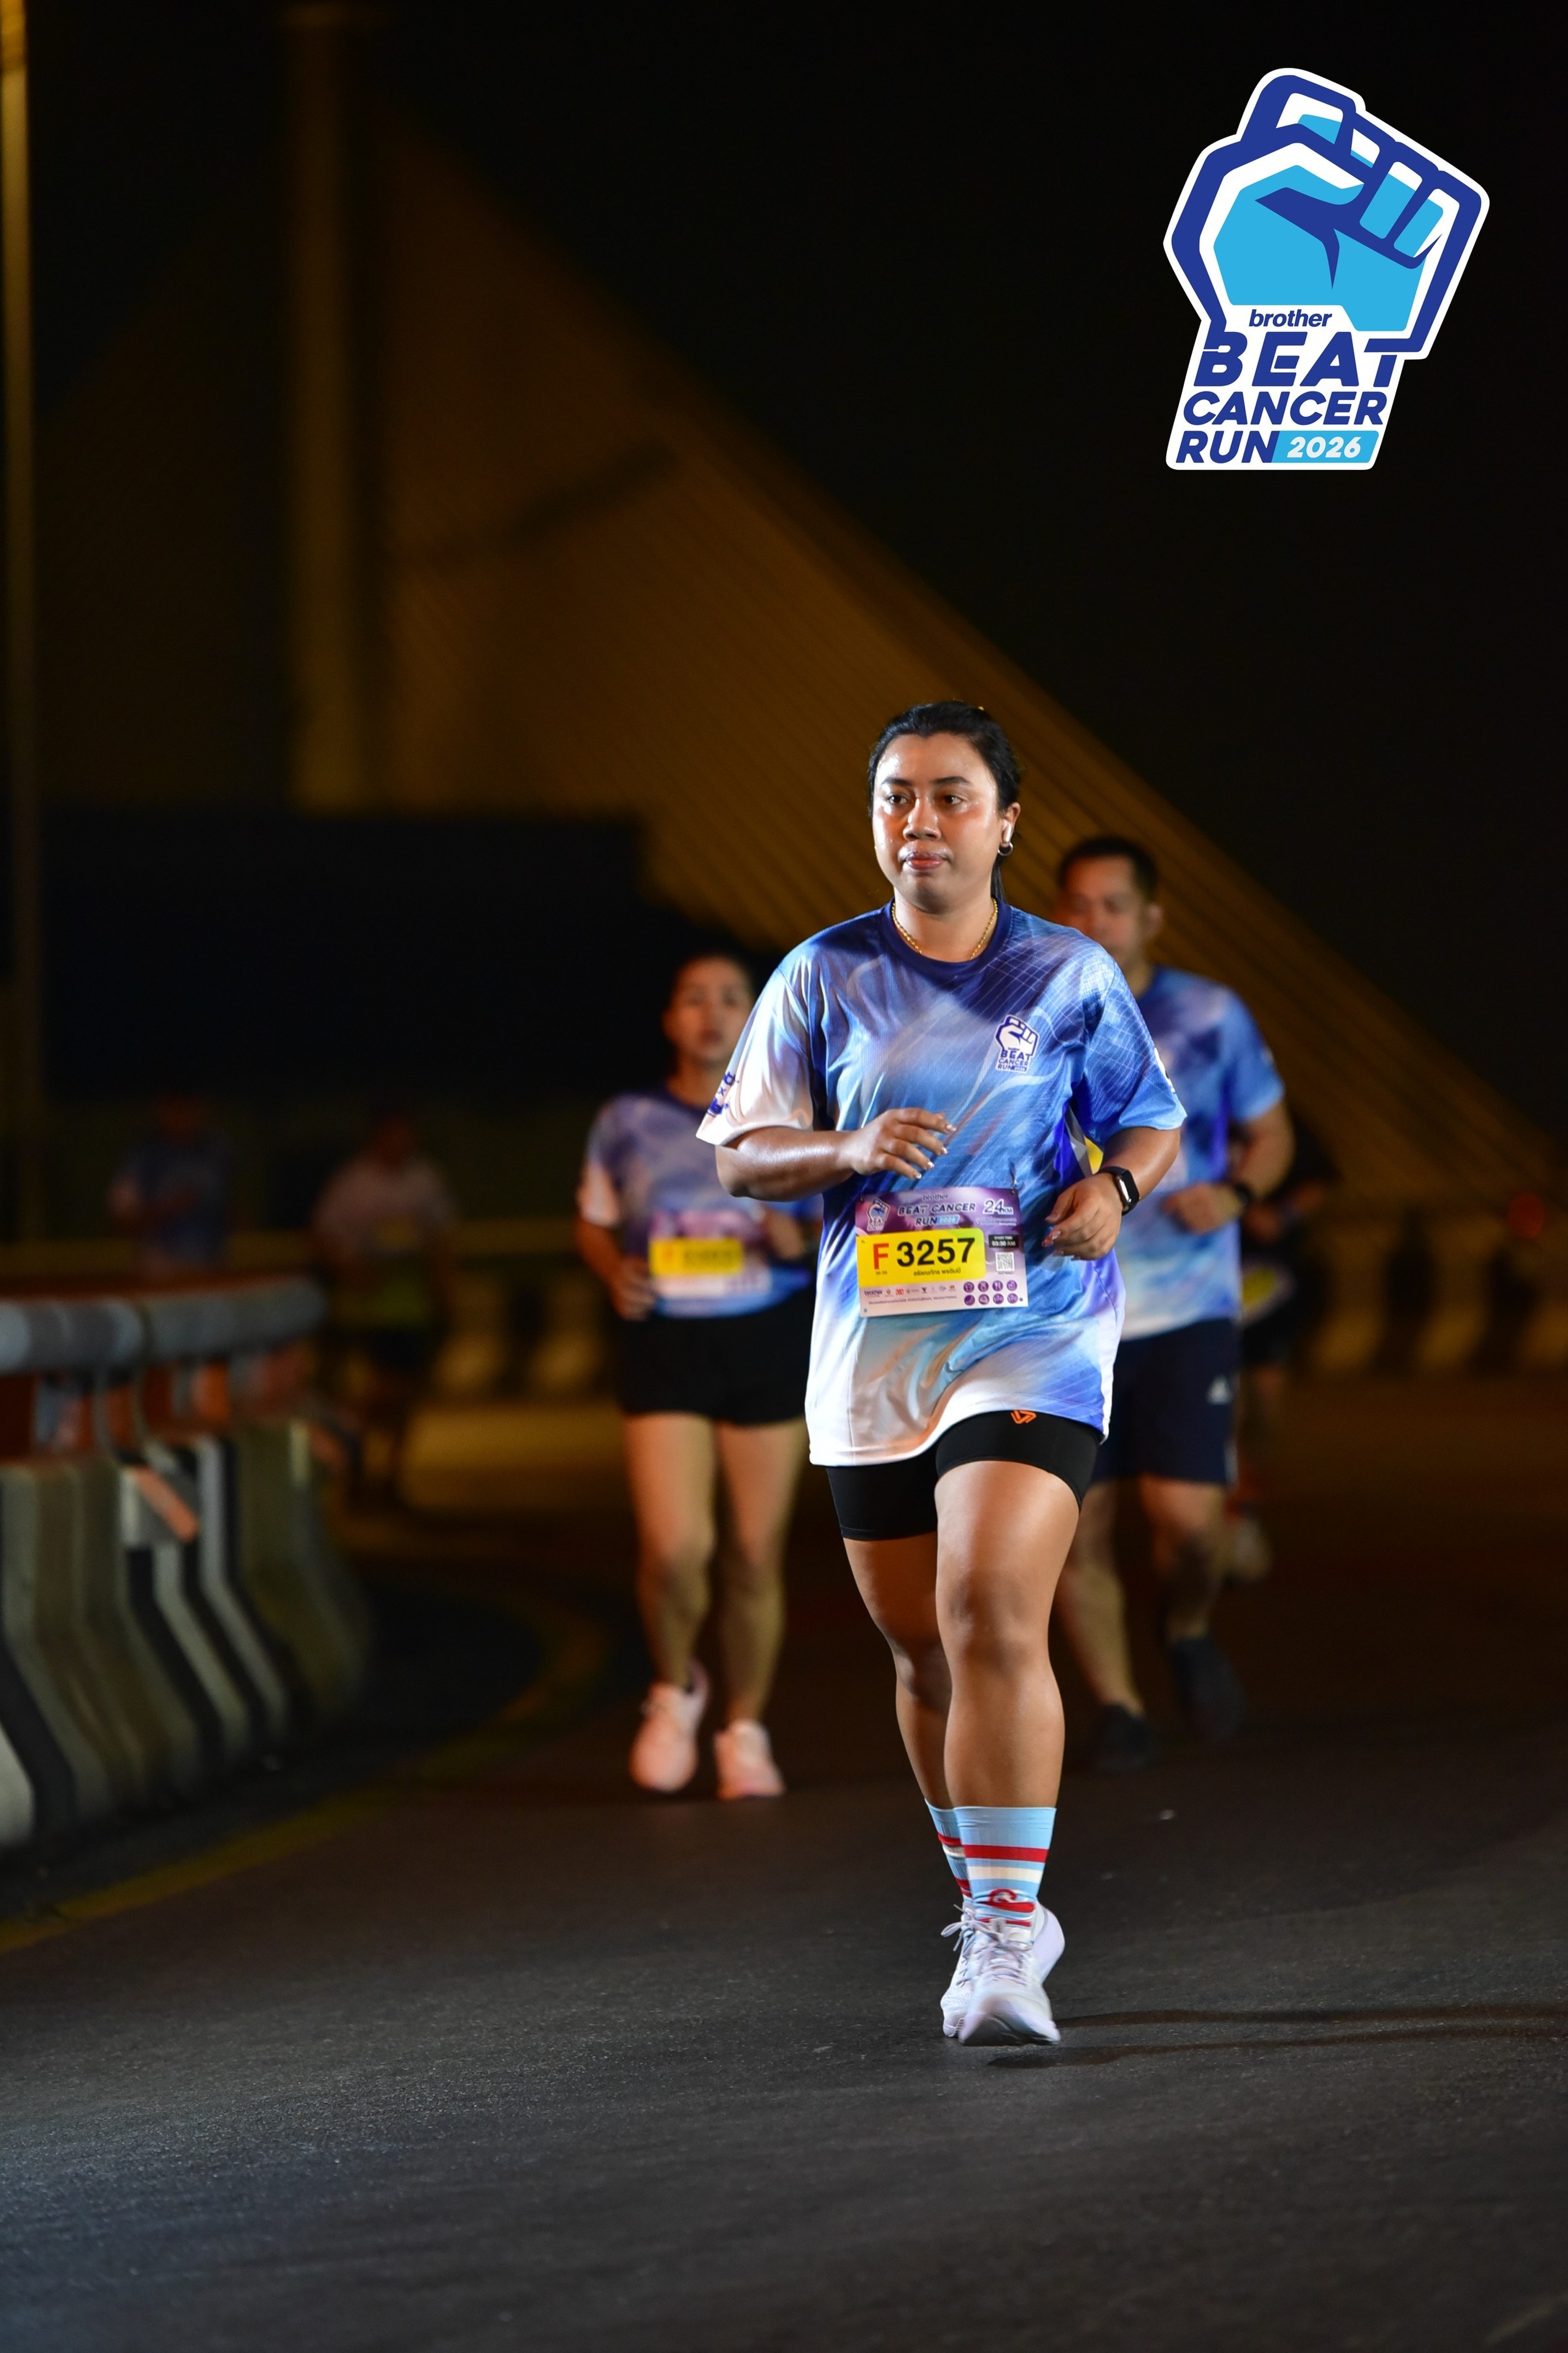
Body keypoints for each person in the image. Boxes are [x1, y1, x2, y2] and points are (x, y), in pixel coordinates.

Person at [699, 702, 1183, 2047]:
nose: (919, 820)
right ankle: (984, 1893)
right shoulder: (819, 974)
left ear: (1004, 821)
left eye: (949, 795)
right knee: (921, 1649)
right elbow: (738, 1154)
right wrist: (846, 1150)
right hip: (876, 1352)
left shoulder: (1067, 972)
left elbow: (1149, 1120)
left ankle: (1005, 1935)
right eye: (896, 796)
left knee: (987, 1602)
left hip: (1032, 1326)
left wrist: (1113, 1190)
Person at [1051, 838, 1293, 1771]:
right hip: (1069, 1318)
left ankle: (1185, 1627)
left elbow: (1271, 1133)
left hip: (1187, 1307)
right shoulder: (1031, 1016)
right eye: (1077, 905)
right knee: (1080, 1529)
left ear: (1151, 917)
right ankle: (1118, 1707)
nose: (1095, 923)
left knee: (1192, 1529)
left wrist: (1234, 1194)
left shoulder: (1208, 1014)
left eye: (1114, 905)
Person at [576, 953, 816, 1802]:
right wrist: (612, 1270)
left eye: (730, 999)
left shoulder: (796, 1115)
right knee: (677, 1549)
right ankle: (674, 1687)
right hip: (666, 1339)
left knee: (752, 1553)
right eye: (693, 999)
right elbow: (594, 1221)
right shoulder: (627, 1118)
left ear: (754, 1017)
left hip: (767, 1334)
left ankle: (744, 1728)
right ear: (669, 1019)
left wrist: (797, 1238)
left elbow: (846, 1220)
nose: (712, 1014)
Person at [312, 1111, 459, 1487]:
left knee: (407, 1390)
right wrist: (351, 1270)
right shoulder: (353, 1181)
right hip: (367, 1305)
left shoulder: (424, 1178)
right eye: (394, 1135)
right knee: (377, 1386)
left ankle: (392, 1472)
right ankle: (354, 1462)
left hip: (410, 1300)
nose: (402, 1143)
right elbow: (323, 1235)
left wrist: (444, 1291)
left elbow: (441, 1239)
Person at [1227, 1119, 1338, 1579]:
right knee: (1226, 1408)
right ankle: (1233, 1520)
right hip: (1210, 1283)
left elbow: (1321, 1181)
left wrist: (1281, 1216)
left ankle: (1249, 1502)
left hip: (1270, 1282)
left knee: (1266, 1405)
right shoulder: (1186, 1106)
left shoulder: (1278, 1116)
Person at [108, 1094, 235, 1279]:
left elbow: (229, 1210)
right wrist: (167, 1208)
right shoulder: (143, 1158)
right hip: (160, 1271)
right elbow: (122, 1222)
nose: (184, 1116)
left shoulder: (216, 1153)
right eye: (176, 1108)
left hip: (211, 1269)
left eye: (190, 1108)